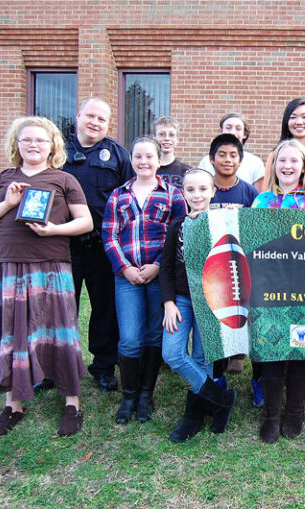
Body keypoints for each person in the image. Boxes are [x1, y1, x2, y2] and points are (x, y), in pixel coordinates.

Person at [0, 116, 94, 436]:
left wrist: (54, 229)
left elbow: (85, 222)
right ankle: (14, 406)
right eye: (26, 140)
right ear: (17, 145)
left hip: (52, 264)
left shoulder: (64, 179)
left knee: (59, 332)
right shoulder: (3, 178)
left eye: (40, 140)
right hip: (11, 266)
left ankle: (72, 403)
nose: (33, 145)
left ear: (52, 145)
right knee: (14, 334)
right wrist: (7, 203)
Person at [102, 136, 186, 425]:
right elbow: (109, 236)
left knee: (153, 333)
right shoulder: (118, 195)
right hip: (127, 276)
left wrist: (157, 266)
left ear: (159, 160)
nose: (144, 162)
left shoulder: (173, 195)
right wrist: (125, 268)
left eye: (150, 157)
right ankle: (129, 395)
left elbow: (178, 238)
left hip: (157, 275)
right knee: (129, 338)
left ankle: (146, 395)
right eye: (138, 156)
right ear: (131, 160)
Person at [251, 139, 305, 442]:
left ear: (303, 167)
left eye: (294, 161)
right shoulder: (261, 202)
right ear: (274, 166)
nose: (287, 166)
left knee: (299, 347)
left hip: (304, 291)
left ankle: (295, 411)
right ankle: (271, 413)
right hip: (269, 290)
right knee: (271, 349)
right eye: (282, 160)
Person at [62, 97, 134, 392]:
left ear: (108, 124)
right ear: (78, 116)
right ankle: (56, 367)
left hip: (103, 247)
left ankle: (103, 366)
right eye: (90, 116)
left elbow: (130, 196)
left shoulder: (118, 154)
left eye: (101, 119)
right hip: (62, 245)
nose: (95, 122)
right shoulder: (58, 150)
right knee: (61, 309)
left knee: (105, 309)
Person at [160, 168, 237, 442]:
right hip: (181, 299)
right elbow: (166, 267)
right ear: (183, 193)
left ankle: (194, 415)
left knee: (205, 358)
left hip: (210, 301)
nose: (197, 195)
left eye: (203, 189)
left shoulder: (223, 222)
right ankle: (220, 398)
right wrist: (168, 302)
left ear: (213, 191)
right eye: (190, 190)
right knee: (173, 353)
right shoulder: (177, 226)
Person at [205, 133, 261, 401]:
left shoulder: (250, 192)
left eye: (233, 155)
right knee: (216, 323)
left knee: (247, 323)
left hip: (242, 268)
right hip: (213, 268)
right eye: (222, 155)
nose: (228, 160)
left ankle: (256, 378)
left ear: (241, 160)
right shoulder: (204, 188)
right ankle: (217, 378)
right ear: (211, 158)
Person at [261, 98, 305, 191]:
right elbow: (267, 189)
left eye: (304, 117)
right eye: (293, 117)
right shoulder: (275, 154)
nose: (299, 122)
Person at [198, 112, 265, 188]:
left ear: (244, 134)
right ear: (220, 132)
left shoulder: (255, 163)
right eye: (228, 127)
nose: (233, 132)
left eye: (238, 129)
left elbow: (259, 196)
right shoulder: (206, 162)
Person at [154, 116, 192, 188]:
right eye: (161, 134)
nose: (167, 138)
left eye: (171, 135)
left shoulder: (187, 172)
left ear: (177, 139)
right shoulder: (147, 171)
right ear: (154, 137)